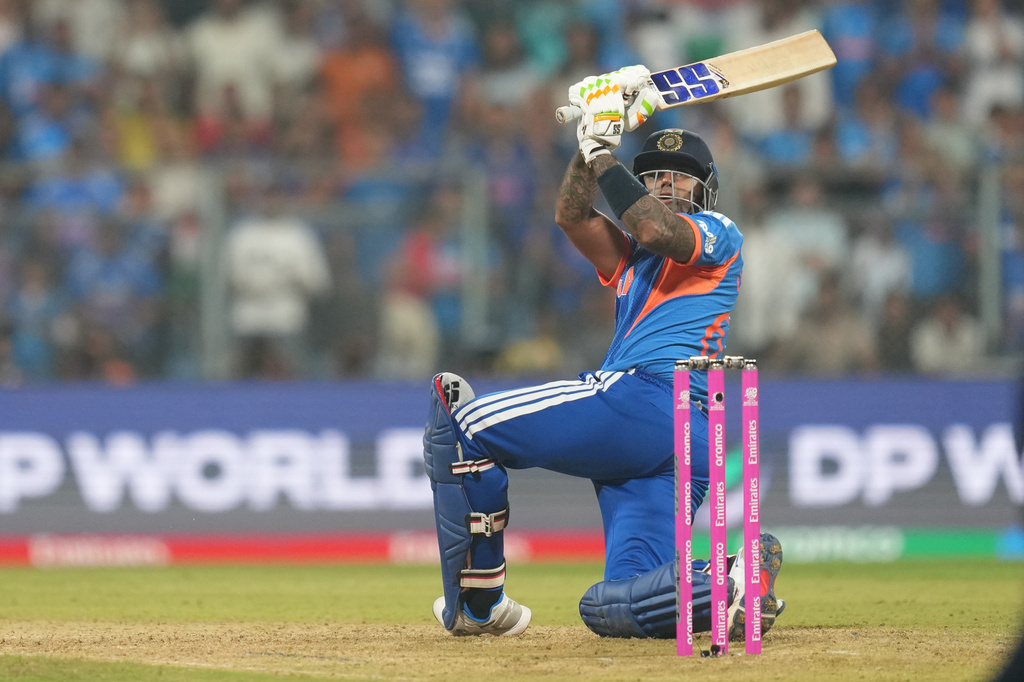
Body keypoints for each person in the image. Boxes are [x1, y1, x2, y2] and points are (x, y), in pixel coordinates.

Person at [423, 66, 785, 639]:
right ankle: (732, 581)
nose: (667, 184)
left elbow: (658, 230)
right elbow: (571, 215)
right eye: (656, 176)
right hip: (675, 447)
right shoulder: (629, 259)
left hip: (651, 398)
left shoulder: (718, 231)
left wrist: (604, 154)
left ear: (706, 189)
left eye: (681, 178)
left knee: (460, 424)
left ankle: (478, 604)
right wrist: (593, 140)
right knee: (611, 606)